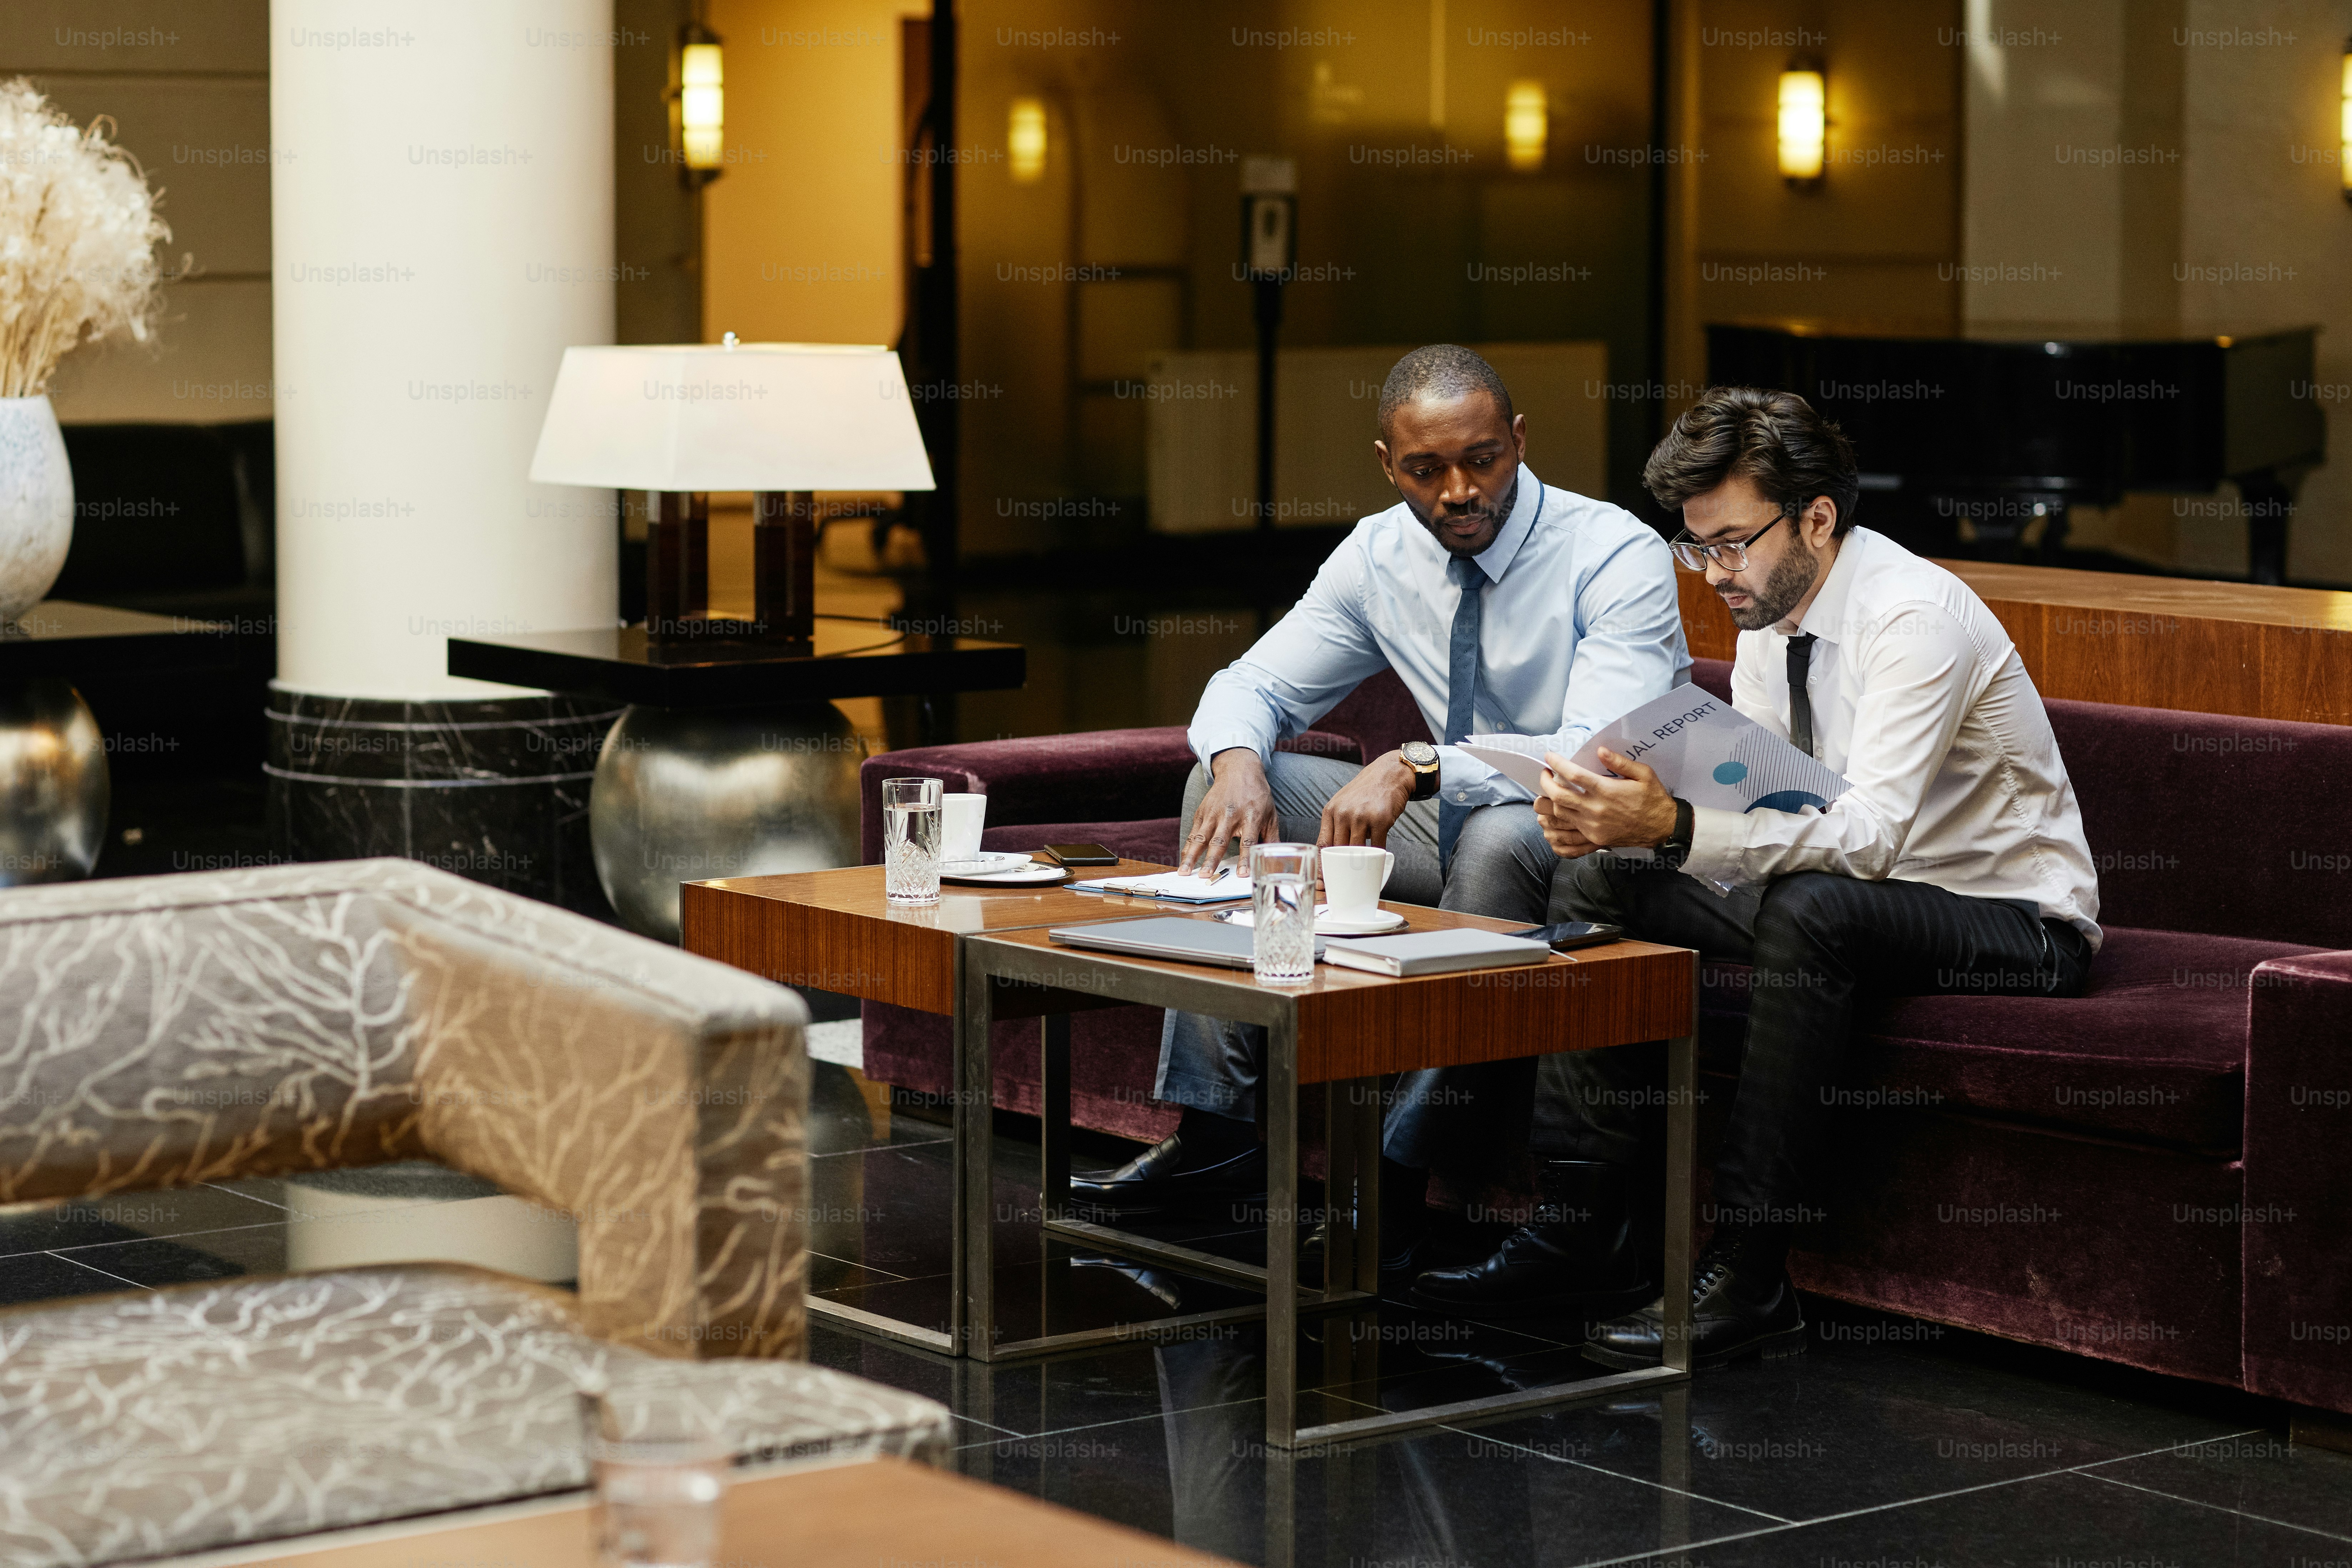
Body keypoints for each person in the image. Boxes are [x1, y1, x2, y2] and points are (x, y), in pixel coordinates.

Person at [1413, 385, 2102, 1367]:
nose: (1713, 575)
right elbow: (1774, 804)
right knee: (1601, 871)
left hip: (2012, 922)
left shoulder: (1912, 617)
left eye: (1732, 542)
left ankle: (1746, 1269)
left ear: (1817, 518)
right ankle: (1584, 1228)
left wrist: (1682, 824)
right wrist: (1636, 814)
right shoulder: (1767, 613)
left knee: (1813, 908)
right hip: (1866, 900)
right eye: (1694, 548)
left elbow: (1862, 839)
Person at [1068, 344, 1690, 1273]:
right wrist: (1240, 762)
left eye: (1480, 460)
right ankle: (1218, 1138)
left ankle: (1391, 1184)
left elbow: (1587, 755)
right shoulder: (1378, 554)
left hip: (1583, 846)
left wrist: (1416, 763)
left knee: (1497, 833)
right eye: (1424, 470)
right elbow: (1251, 684)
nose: (1456, 492)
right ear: (1385, 464)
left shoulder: (1612, 553)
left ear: (1517, 443)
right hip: (1447, 827)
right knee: (1227, 783)